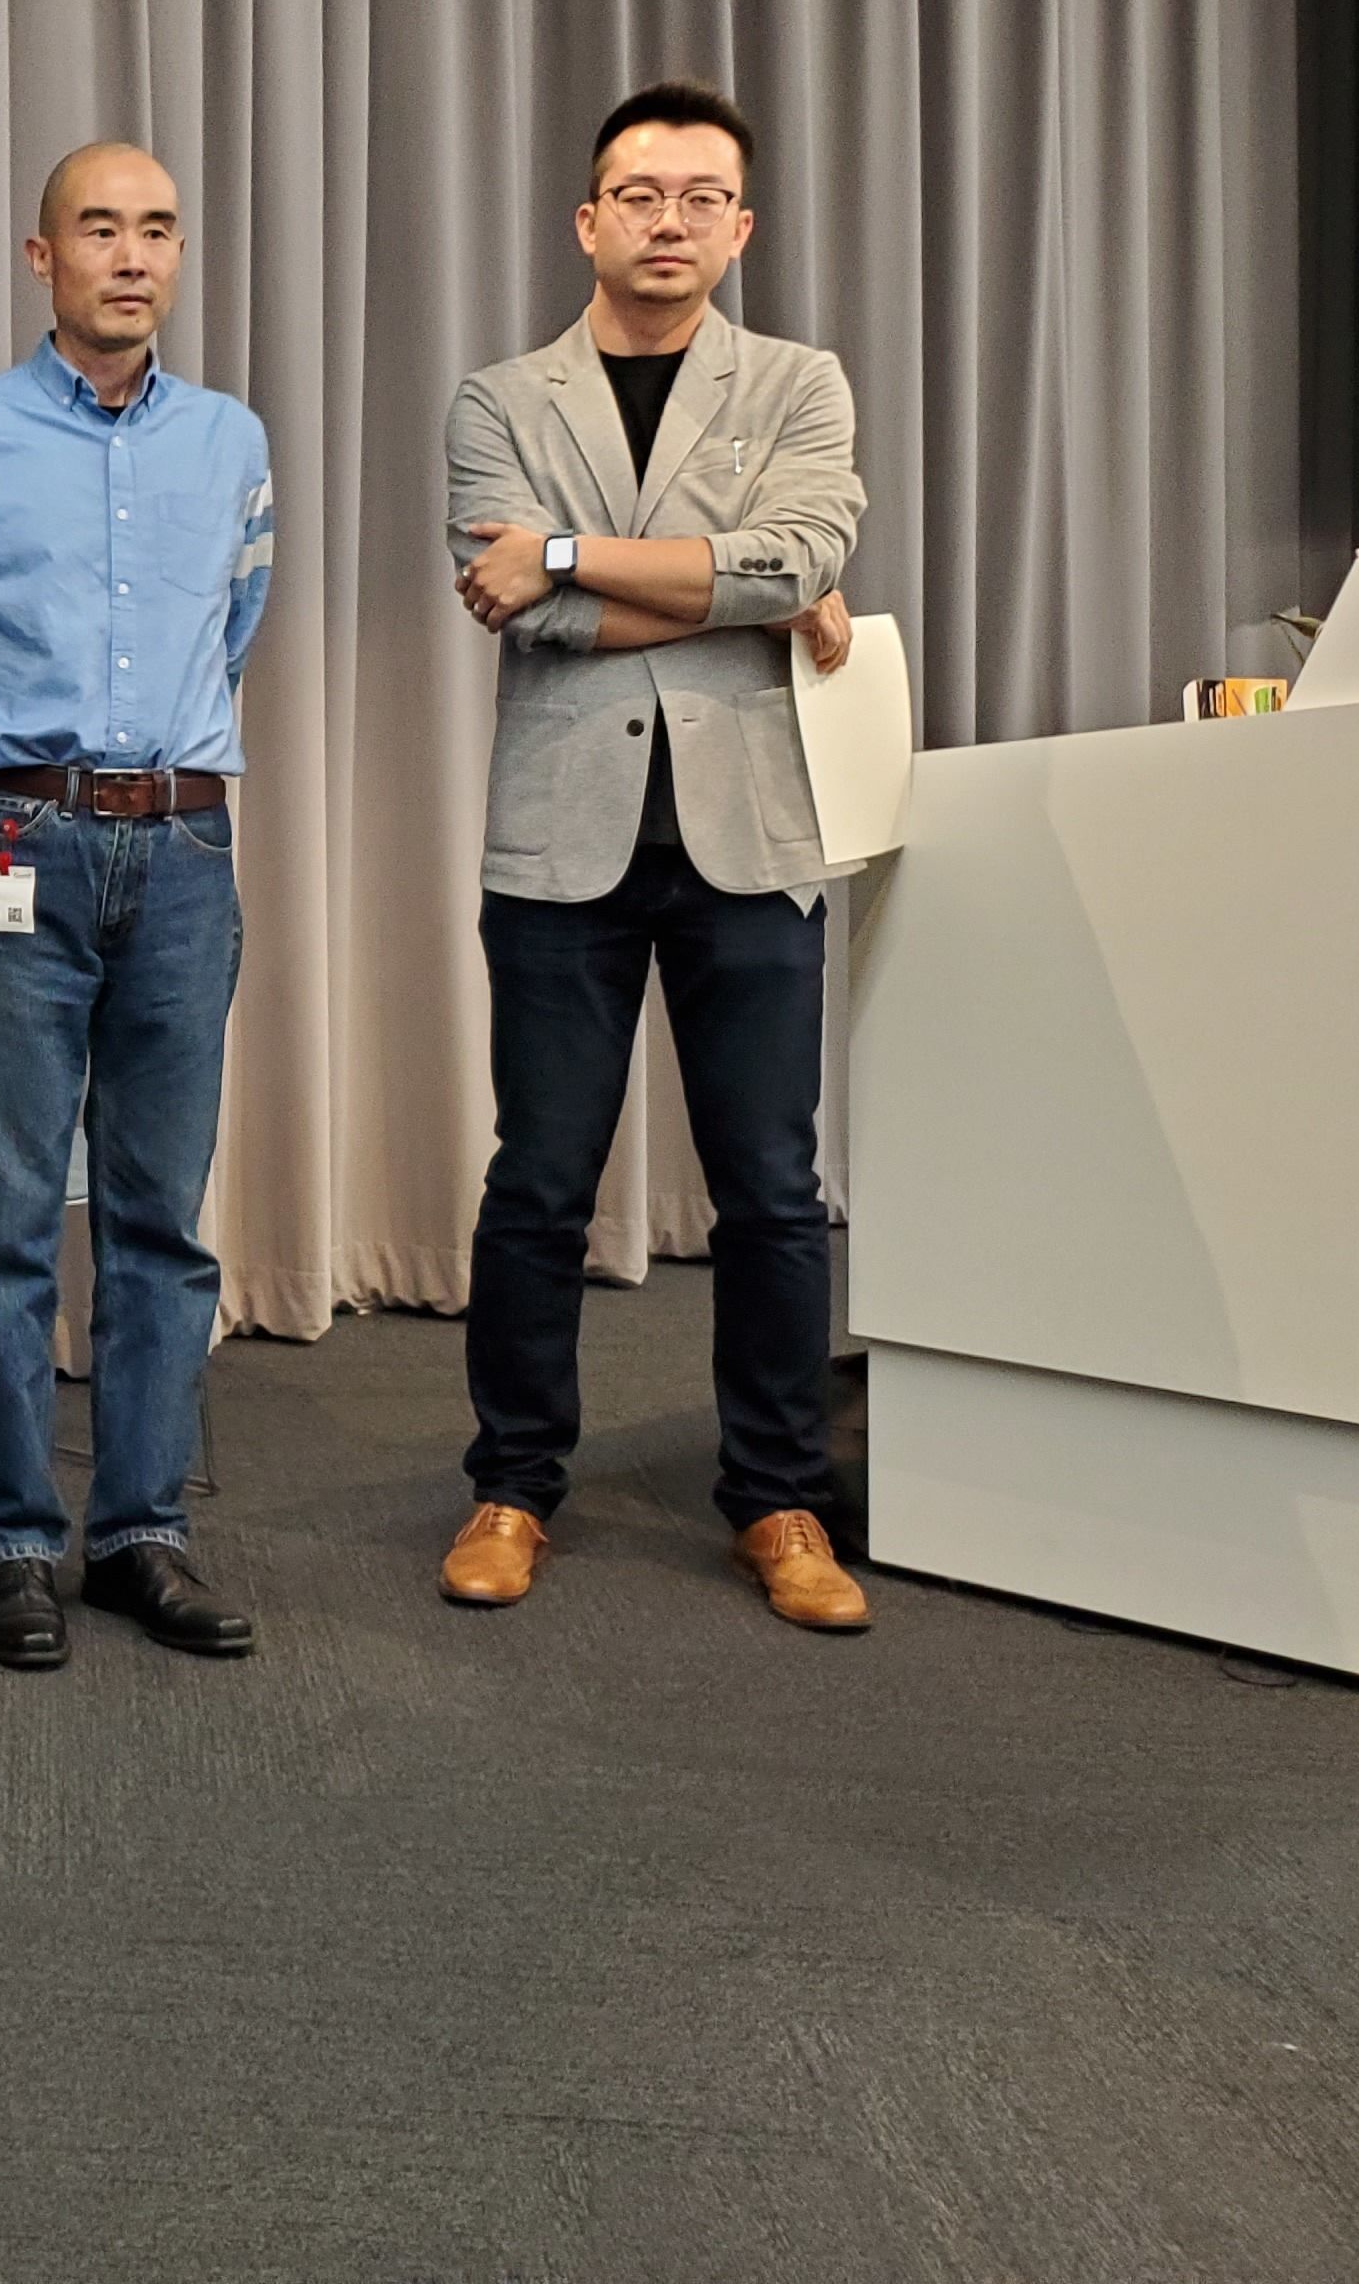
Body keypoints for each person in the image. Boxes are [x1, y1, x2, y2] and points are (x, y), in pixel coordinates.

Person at [441, 78, 868, 1632]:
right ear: (588, 220)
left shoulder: (799, 383)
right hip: (562, 844)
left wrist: (566, 551)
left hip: (750, 839)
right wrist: (742, 596)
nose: (668, 221)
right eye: (640, 195)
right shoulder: (501, 399)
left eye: (699, 198)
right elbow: (522, 614)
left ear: (740, 227)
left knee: (771, 1190)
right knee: (539, 1183)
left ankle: (779, 1500)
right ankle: (511, 1488)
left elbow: (800, 556)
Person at [0, 143, 276, 1676]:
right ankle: (5, 1541)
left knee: (162, 1219)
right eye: (99, 229)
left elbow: (234, 623)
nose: (132, 255)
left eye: (157, 229)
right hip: (14, 846)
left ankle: (138, 1535)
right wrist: (10, 786)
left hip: (182, 857)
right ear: (42, 258)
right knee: (2, 1223)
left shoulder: (231, 439)